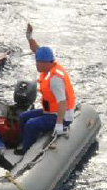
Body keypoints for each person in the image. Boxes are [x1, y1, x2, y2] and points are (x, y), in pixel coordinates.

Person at [15, 24, 76, 155]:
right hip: (50, 110)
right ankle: (22, 141)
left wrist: (59, 124)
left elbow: (62, 103)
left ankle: (27, 151)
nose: (36, 64)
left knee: (31, 124)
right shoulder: (49, 64)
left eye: (37, 62)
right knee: (24, 117)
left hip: (61, 115)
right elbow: (36, 49)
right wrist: (29, 37)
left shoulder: (55, 79)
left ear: (44, 62)